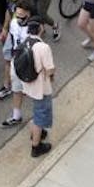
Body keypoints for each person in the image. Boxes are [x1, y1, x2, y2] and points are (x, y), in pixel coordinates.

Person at [18, 19, 56, 157]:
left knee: (37, 110)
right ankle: (36, 146)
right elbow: (50, 69)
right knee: (40, 116)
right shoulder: (43, 47)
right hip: (41, 87)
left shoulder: (24, 42)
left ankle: (36, 133)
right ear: (41, 29)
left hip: (27, 84)